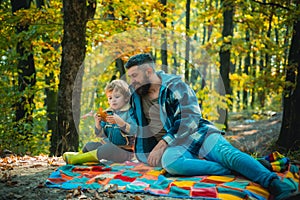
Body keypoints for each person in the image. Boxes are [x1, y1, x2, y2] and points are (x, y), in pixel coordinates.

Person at [124, 53, 299, 200]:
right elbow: (135, 127)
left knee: (229, 155)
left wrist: (162, 143)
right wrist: (112, 126)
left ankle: (273, 182)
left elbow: (190, 118)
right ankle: (245, 166)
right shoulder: (136, 96)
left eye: (134, 76)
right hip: (176, 145)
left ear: (148, 71)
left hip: (197, 133)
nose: (132, 81)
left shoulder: (175, 86)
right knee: (170, 163)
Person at [63, 80, 136, 164]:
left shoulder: (130, 113)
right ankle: (79, 155)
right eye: (110, 98)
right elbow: (100, 134)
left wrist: (121, 123)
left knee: (107, 149)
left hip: (124, 152)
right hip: (107, 146)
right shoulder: (108, 113)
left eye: (117, 97)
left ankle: (77, 159)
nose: (113, 100)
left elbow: (134, 130)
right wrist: (97, 124)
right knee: (90, 145)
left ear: (126, 98)